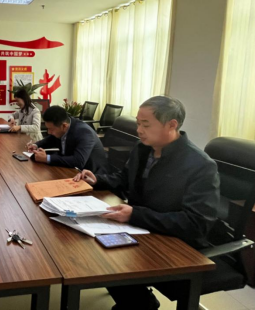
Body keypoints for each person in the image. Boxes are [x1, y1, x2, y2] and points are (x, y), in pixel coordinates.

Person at [73, 96, 220, 310]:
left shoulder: (200, 165)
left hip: (175, 241)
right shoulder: (143, 148)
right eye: (138, 123)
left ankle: (138, 304)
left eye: (146, 125)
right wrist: (98, 180)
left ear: (171, 125)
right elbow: (124, 178)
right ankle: (139, 302)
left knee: (107, 260)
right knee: (92, 250)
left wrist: (135, 215)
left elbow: (196, 223)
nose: (139, 130)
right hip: (143, 227)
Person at [26, 105, 108, 174]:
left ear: (64, 126)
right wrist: (36, 145)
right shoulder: (65, 125)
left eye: (51, 129)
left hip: (92, 176)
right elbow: (52, 138)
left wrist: (46, 158)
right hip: (71, 170)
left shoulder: (85, 133)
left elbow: (78, 161)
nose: (49, 132)